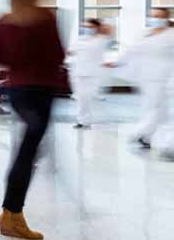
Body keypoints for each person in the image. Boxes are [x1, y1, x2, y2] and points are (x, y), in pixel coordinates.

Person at [0, 0, 65, 240]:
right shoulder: (45, 18)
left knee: (27, 149)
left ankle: (11, 213)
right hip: (41, 91)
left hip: (18, 90)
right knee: (28, 151)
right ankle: (11, 214)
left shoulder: (6, 20)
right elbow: (58, 54)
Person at [112, 8, 174, 149]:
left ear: (166, 18)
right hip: (146, 77)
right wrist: (117, 61)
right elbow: (132, 50)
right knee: (151, 108)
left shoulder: (171, 35)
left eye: (158, 16)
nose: (154, 19)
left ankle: (144, 134)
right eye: (152, 16)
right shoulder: (146, 34)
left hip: (165, 78)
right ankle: (146, 136)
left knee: (157, 108)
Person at [70, 18, 111, 129]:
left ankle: (87, 120)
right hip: (79, 72)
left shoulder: (102, 39)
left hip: (93, 73)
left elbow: (109, 30)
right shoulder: (80, 39)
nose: (86, 29)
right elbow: (70, 51)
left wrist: (101, 26)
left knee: (88, 97)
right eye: (85, 27)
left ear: (97, 28)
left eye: (90, 27)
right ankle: (82, 121)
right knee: (81, 98)